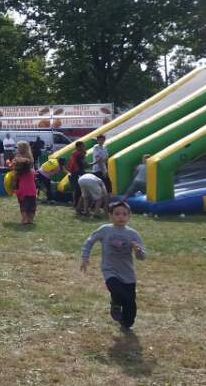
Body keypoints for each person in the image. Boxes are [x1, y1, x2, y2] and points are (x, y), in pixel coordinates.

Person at [81, 202, 146, 331]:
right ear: (110, 216)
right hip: (109, 269)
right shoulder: (105, 230)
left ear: (129, 216)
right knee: (117, 292)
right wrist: (85, 256)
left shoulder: (132, 234)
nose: (121, 217)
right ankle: (115, 304)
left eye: (124, 214)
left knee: (129, 302)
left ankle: (126, 322)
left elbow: (142, 256)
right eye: (117, 214)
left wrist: (138, 250)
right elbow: (90, 241)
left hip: (127, 273)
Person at [14, 141, 38, 225]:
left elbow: (16, 169)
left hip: (22, 183)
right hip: (30, 183)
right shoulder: (30, 158)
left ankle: (24, 219)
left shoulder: (18, 158)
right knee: (32, 202)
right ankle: (30, 219)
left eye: (18, 147)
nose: (17, 149)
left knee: (23, 202)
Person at [66, 141, 88, 208]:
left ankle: (75, 203)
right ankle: (79, 204)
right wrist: (94, 163)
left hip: (72, 173)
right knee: (80, 189)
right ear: (78, 147)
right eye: (83, 146)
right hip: (78, 173)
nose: (84, 147)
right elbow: (84, 164)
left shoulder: (73, 153)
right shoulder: (80, 154)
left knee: (74, 189)